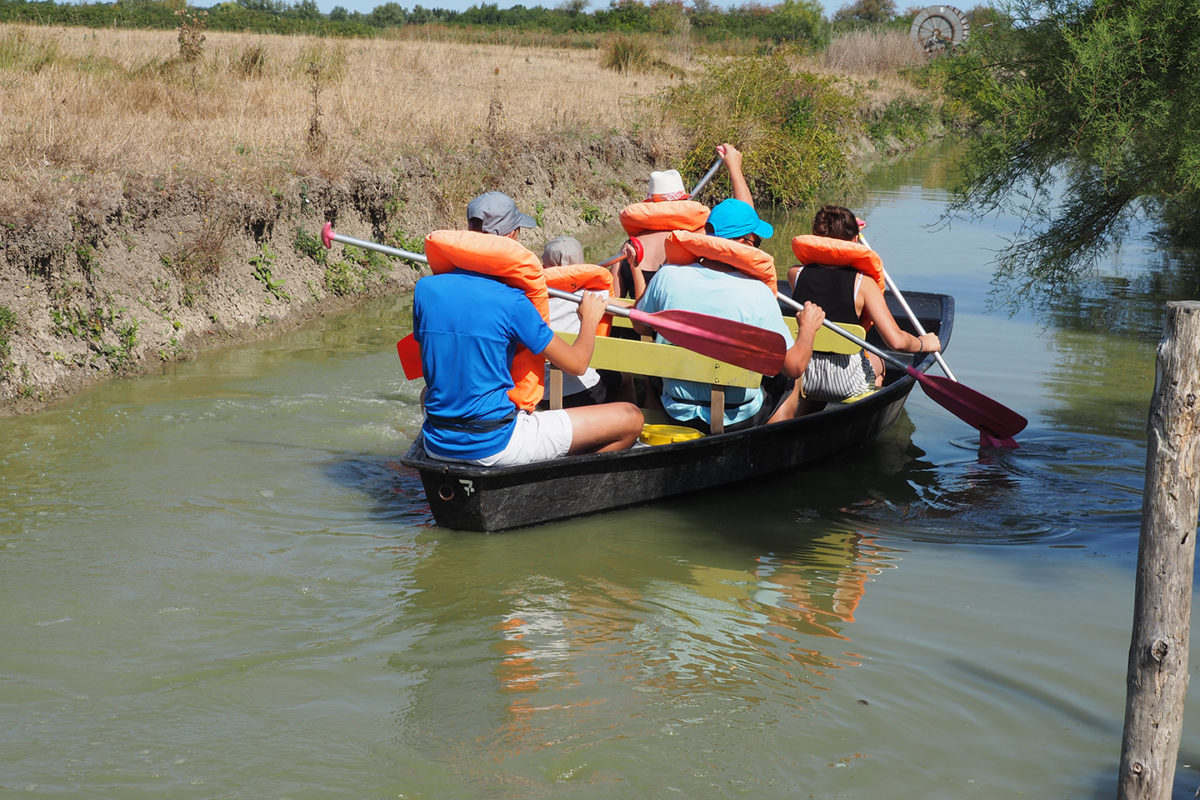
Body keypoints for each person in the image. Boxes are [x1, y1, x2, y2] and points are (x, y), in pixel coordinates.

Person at [412, 192, 643, 466]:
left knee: (427, 394)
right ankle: (565, 484)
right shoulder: (513, 301)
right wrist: (590, 318)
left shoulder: (425, 289)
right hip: (497, 442)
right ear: (512, 236)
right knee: (631, 417)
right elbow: (578, 364)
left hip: (437, 440)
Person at [632, 198, 826, 432]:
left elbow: (640, 326)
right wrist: (808, 328)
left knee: (651, 372)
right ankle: (770, 446)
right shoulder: (758, 292)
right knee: (789, 379)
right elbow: (794, 366)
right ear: (744, 243)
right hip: (736, 417)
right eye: (757, 242)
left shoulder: (668, 276)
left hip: (675, 410)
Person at [786, 204, 941, 402]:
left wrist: (847, 236)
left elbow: (830, 253)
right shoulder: (864, 284)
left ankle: (810, 408)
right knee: (879, 364)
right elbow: (896, 342)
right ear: (854, 241)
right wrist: (923, 343)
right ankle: (866, 411)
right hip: (844, 384)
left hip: (802, 375)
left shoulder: (795, 274)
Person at [614, 143, 753, 301]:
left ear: (648, 204)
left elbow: (613, 302)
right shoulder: (693, 239)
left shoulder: (628, 248)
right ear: (683, 202)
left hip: (637, 323)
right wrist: (735, 168)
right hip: (680, 320)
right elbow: (745, 220)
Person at [539, 235, 619, 408]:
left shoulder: (530, 299)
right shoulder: (592, 296)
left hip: (540, 393)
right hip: (583, 391)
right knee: (621, 378)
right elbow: (637, 309)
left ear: (544, 267)